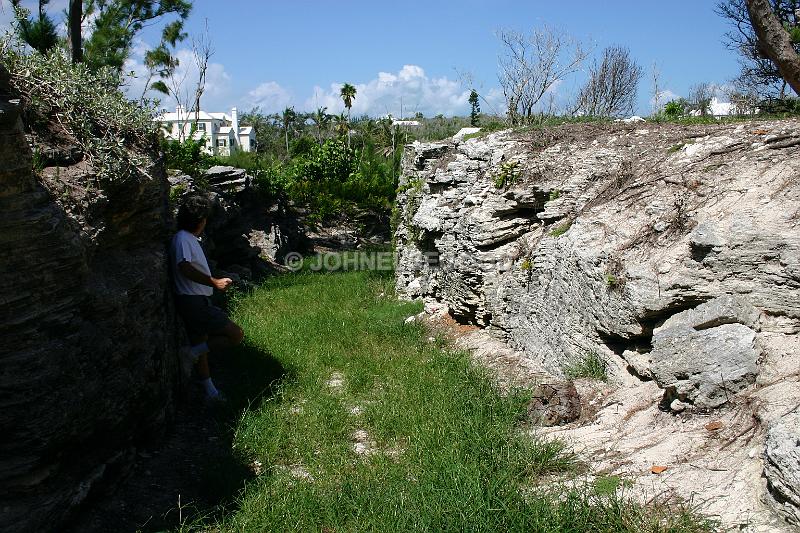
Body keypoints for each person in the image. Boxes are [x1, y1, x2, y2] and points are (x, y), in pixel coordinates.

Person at [170, 194, 244, 401]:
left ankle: (209, 391)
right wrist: (215, 282)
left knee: (200, 344)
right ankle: (189, 354)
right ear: (201, 221)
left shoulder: (187, 238)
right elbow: (184, 267)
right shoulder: (183, 238)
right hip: (193, 301)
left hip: (195, 300)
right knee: (235, 334)